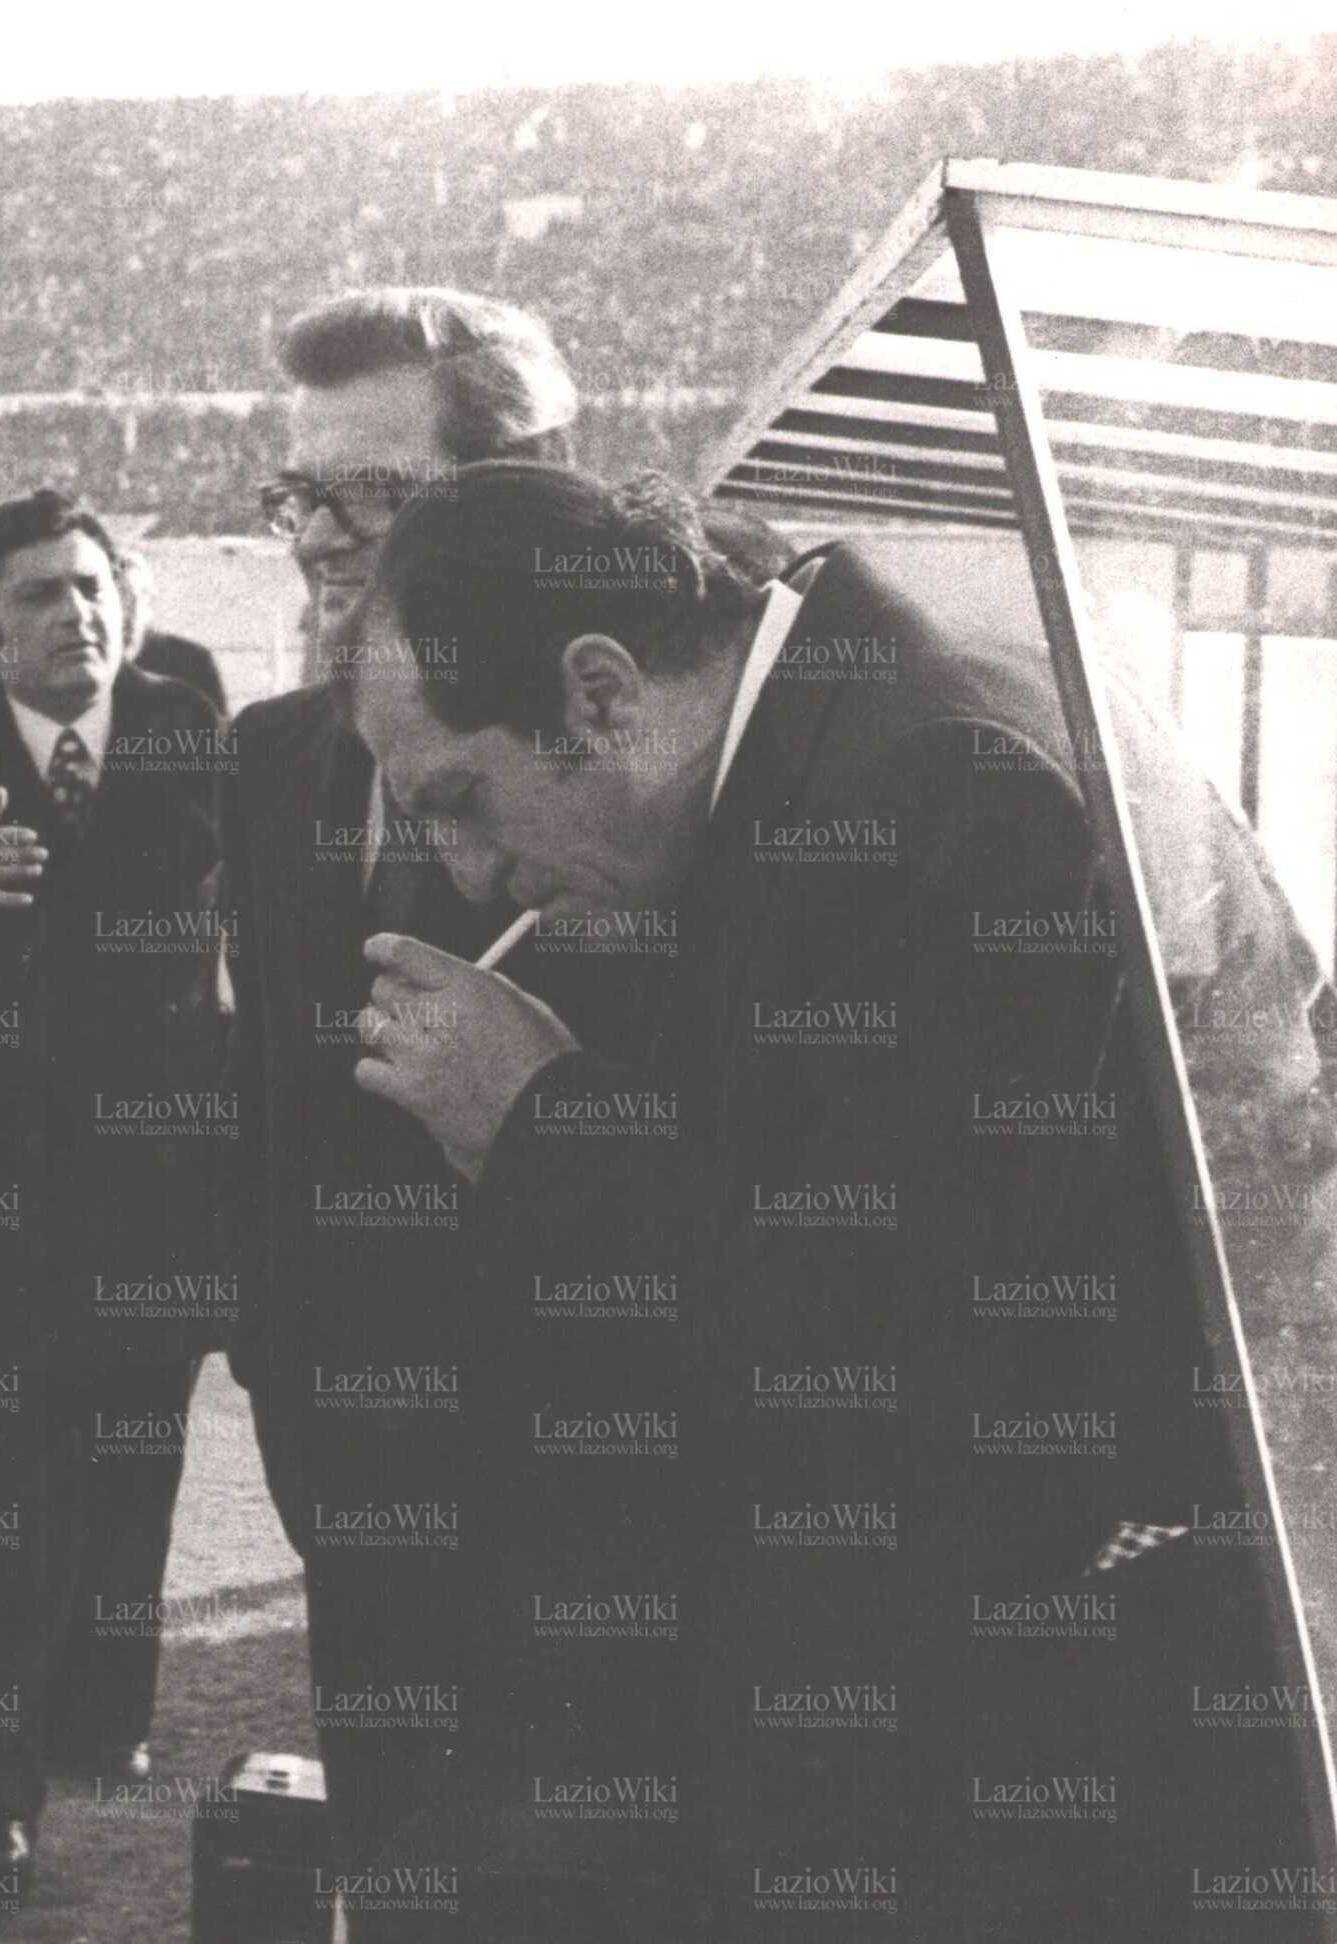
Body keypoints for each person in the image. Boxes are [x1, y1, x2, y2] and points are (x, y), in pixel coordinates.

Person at [347, 462, 1324, 1936]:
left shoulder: (940, 793)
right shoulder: (866, 698)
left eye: (463, 800)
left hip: (1089, 1694)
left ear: (601, 693)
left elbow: (880, 1354)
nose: (472, 877)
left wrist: (540, 1120)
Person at [214, 289, 593, 1930]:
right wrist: (279, 1364)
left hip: (581, 1489)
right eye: (300, 494)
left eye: (369, 494)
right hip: (347, 1470)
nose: (317, 536)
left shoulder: (620, 750)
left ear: (518, 489)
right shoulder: (272, 752)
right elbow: (276, 1104)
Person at [0, 490, 228, 1892]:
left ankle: (96, 1715)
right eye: (38, 594)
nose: (76, 614)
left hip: (162, 1180)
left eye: (93, 587)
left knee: (133, 1473)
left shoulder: (190, 722)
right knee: (9, 1495)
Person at [121, 551, 228, 712]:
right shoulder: (91, 665)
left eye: (131, 599)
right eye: (117, 599)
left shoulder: (192, 662)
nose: (124, 613)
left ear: (149, 603)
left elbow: (216, 727)